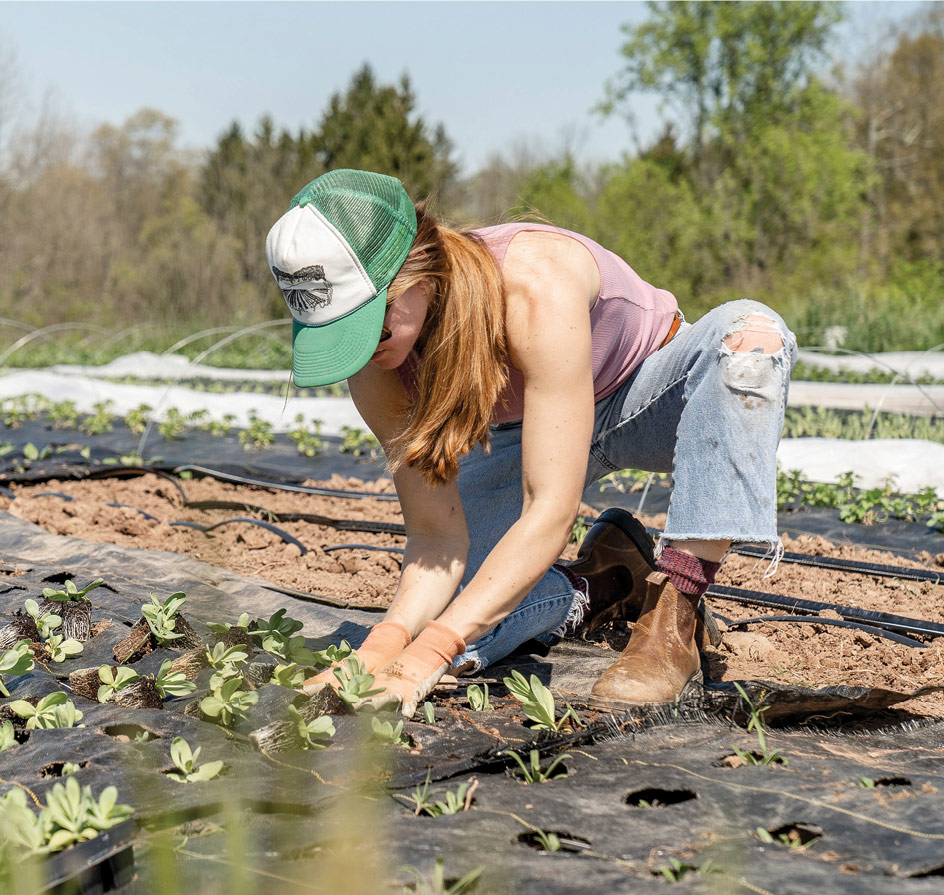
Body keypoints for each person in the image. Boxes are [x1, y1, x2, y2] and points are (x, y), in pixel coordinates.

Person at [265, 169, 796, 717]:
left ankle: (675, 611)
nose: (364, 350)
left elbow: (550, 510)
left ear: (416, 271)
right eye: (338, 336)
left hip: (648, 398)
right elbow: (437, 538)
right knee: (462, 608)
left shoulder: (530, 282)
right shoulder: (376, 366)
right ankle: (601, 580)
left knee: (751, 338)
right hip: (529, 432)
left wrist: (432, 650)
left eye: (369, 326)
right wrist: (384, 646)